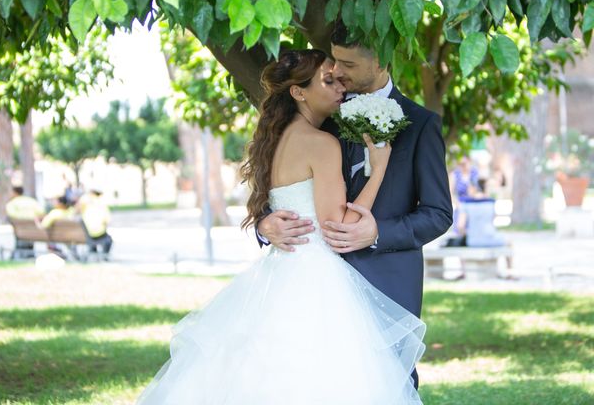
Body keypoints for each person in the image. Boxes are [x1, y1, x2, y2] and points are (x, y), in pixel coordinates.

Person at [137, 50, 426, 404]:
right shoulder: (321, 143)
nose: (340, 88)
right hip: (317, 277)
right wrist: (378, 169)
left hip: (282, 272)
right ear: (298, 92)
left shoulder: (276, 140)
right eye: (328, 80)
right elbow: (337, 227)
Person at [256, 23, 453, 389]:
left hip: (389, 282)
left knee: (387, 386)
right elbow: (284, 182)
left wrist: (377, 232)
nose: (337, 72)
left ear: (380, 60)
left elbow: (439, 214)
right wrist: (265, 224)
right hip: (313, 285)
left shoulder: (422, 125)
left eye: (347, 63)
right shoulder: (319, 113)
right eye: (335, 64)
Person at [5, 186, 45, 259]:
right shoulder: (31, 201)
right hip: (33, 231)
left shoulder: (11, 203)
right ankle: (29, 254)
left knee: (20, 236)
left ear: (14, 193)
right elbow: (41, 212)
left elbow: (12, 215)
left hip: (20, 231)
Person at [76, 189, 113, 259]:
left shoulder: (85, 206)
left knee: (91, 233)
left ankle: (93, 251)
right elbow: (107, 221)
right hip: (99, 233)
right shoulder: (102, 205)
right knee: (109, 239)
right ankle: (105, 256)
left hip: (87, 235)